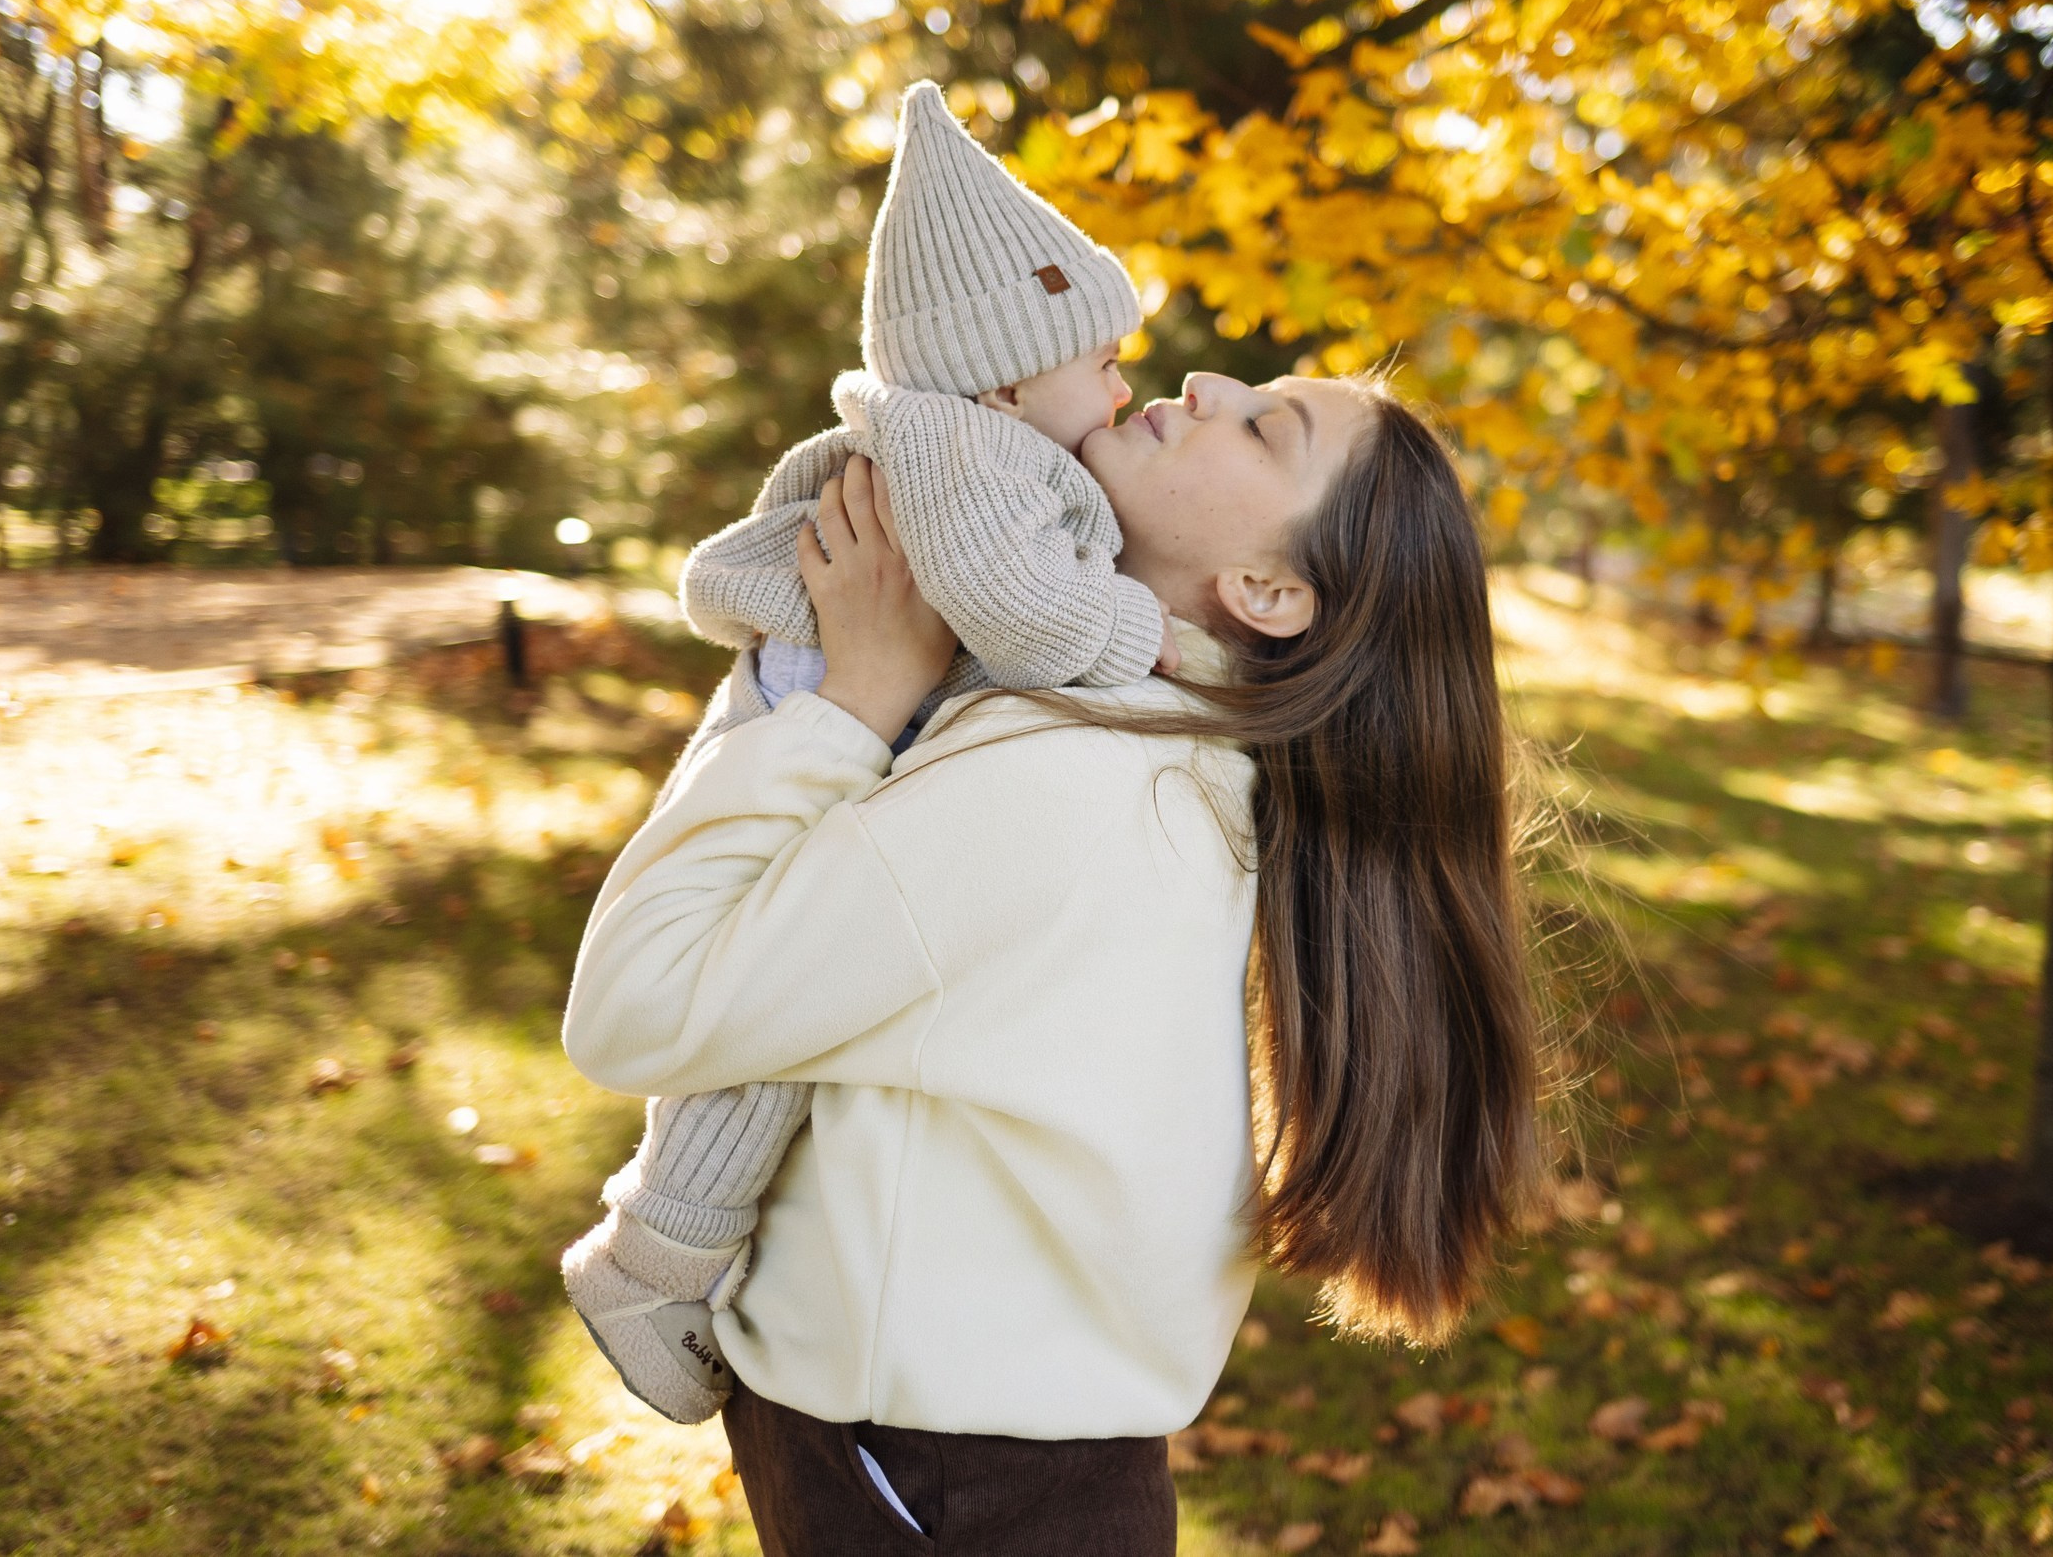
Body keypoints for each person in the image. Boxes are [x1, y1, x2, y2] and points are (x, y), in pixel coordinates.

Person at [562, 368, 1547, 1555]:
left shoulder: (1078, 776)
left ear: (1269, 590)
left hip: (924, 1478)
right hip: (984, 1466)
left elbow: (635, 1002)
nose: (1206, 380)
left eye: (1262, 426)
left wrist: (851, 700)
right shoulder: (1165, 748)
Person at [561, 79, 1180, 1424]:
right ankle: (652, 1255)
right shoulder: (968, 444)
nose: (1126, 384)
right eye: (1104, 358)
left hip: (829, 696)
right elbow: (1019, 614)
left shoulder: (987, 441)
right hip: (818, 704)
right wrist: (1154, 633)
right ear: (1012, 369)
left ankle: (657, 1250)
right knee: (764, 1020)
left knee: (778, 1006)